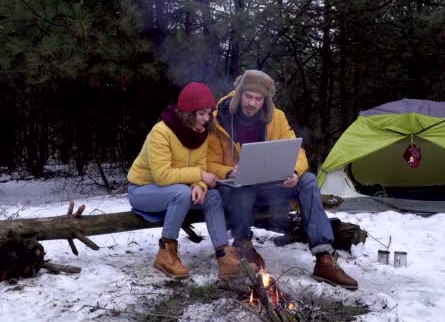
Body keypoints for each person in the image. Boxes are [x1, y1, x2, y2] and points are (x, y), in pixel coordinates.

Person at [207, 70, 359, 290]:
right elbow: (208, 163)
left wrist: (294, 173)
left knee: (307, 181)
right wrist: (230, 172)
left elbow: (298, 152)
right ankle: (243, 245)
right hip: (236, 189)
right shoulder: (220, 118)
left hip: (269, 186)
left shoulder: (276, 117)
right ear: (239, 94)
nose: (252, 103)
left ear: (266, 100)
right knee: (242, 186)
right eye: (248, 96)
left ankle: (324, 258)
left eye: (258, 99)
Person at [127, 82, 244, 280]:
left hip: (179, 189)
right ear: (188, 113)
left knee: (213, 195)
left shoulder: (201, 133)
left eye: (209, 113)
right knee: (181, 193)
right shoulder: (161, 132)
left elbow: (200, 167)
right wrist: (199, 177)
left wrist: (199, 185)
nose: (207, 119)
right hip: (143, 191)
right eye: (201, 114)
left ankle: (224, 255)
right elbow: (162, 176)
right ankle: (166, 252)